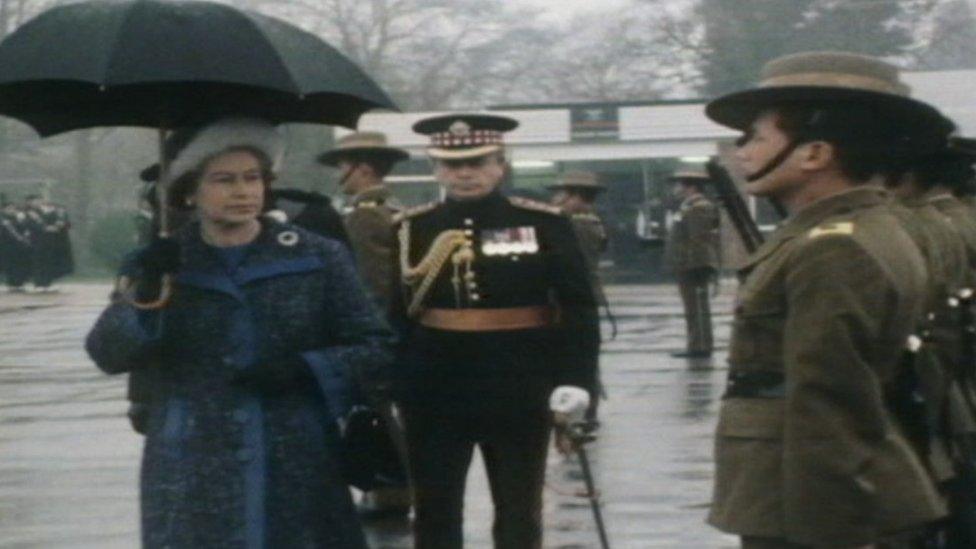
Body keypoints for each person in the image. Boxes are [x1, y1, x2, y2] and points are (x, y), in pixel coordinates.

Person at [85, 117, 394, 548]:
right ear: (190, 191)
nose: (243, 191)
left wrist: (306, 369)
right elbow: (106, 352)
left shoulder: (317, 255)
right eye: (224, 180)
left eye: (252, 178)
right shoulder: (162, 263)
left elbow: (377, 347)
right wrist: (146, 290)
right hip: (191, 462)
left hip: (296, 459)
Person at [705, 52, 951, 548]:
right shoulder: (859, 229)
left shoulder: (834, 247)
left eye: (757, 136)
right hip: (794, 489)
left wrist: (831, 532)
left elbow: (829, 403)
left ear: (815, 153)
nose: (744, 150)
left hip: (803, 503)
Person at [392, 113, 599, 548]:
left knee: (519, 511)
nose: (464, 173)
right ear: (435, 169)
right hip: (434, 387)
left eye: (478, 162)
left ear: (501, 164)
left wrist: (577, 383)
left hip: (519, 383)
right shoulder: (412, 227)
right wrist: (394, 382)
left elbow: (578, 308)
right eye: (452, 165)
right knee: (434, 509)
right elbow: (396, 314)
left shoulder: (545, 223)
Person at [318, 130, 412, 517]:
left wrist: (368, 337)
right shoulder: (390, 206)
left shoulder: (365, 214)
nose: (340, 173)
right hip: (396, 330)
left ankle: (392, 490)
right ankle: (391, 487)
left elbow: (371, 282)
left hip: (379, 331)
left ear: (365, 168)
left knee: (376, 410)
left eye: (344, 165)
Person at [547, 169, 609, 425]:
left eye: (562, 194)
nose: (557, 200)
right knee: (582, 354)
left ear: (577, 196)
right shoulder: (586, 221)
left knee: (581, 355)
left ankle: (586, 408)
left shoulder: (579, 223)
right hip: (579, 294)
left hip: (575, 296)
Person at [664, 172, 720, 358]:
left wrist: (696, 265)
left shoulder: (699, 207)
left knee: (697, 307)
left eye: (679, 185)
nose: (676, 189)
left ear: (691, 187)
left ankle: (701, 346)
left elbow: (699, 239)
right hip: (687, 264)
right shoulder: (688, 207)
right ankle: (695, 344)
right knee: (692, 308)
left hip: (694, 265)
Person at [24, 194, 74, 291]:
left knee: (48, 262)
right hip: (36, 241)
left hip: (50, 241)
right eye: (35, 201)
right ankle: (38, 283)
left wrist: (59, 225)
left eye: (39, 201)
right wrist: (45, 228)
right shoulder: (29, 213)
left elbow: (65, 224)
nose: (38, 203)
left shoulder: (49, 212)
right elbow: (29, 224)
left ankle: (47, 283)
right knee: (38, 262)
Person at [0, 199, 33, 292]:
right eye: (9, 209)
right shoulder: (3, 219)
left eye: (13, 209)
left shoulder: (18, 218)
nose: (11, 210)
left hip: (19, 247)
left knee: (20, 264)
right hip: (7, 246)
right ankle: (12, 284)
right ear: (3, 210)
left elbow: (24, 228)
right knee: (10, 266)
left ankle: (20, 283)